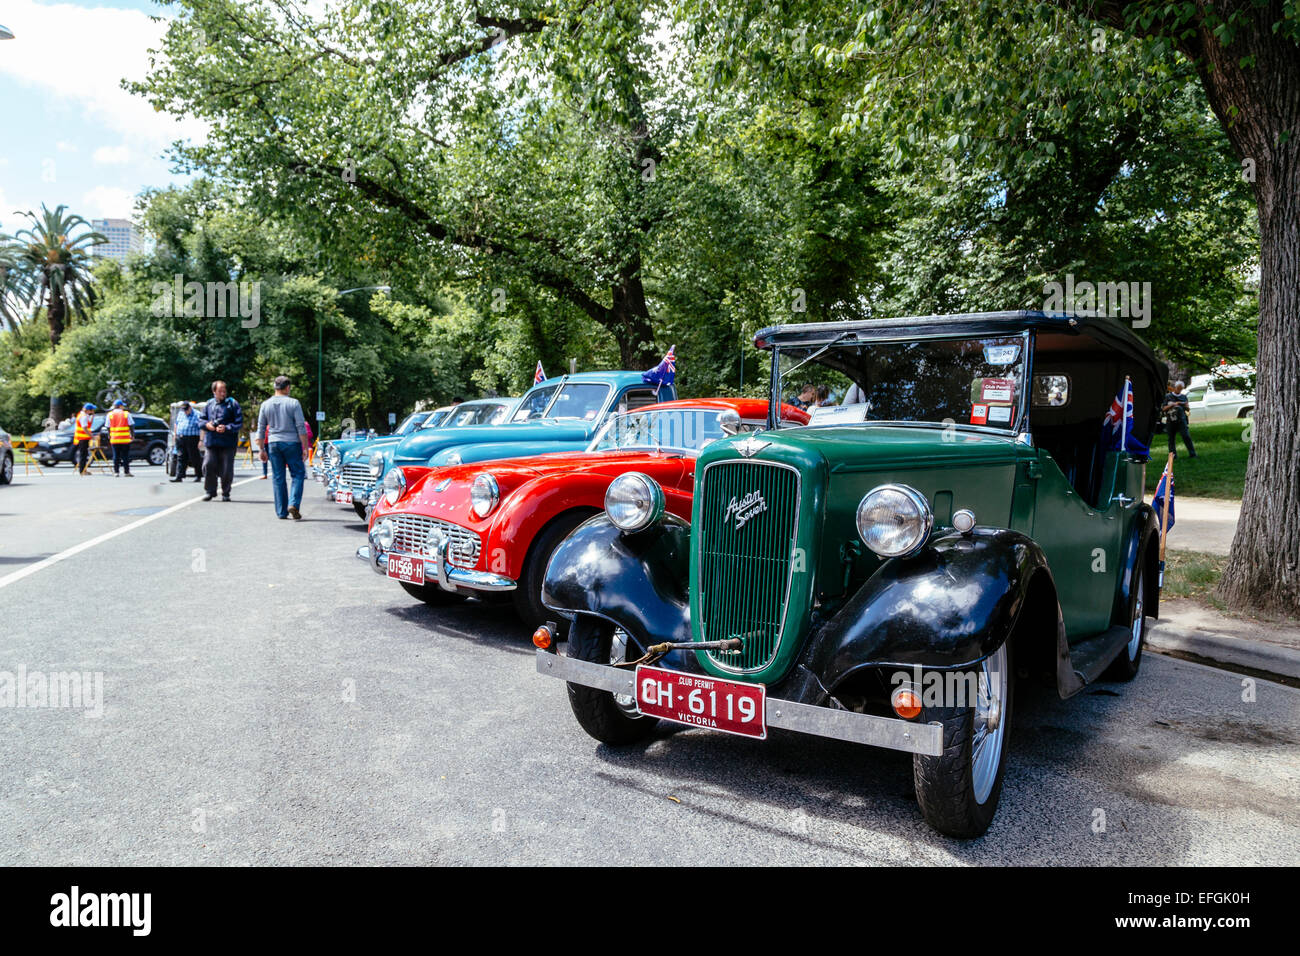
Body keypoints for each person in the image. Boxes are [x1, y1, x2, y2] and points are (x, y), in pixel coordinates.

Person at [257, 374, 311, 520]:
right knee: (298, 474)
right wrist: (305, 448)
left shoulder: (265, 404)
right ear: (287, 388)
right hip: (292, 443)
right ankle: (293, 503)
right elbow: (301, 427)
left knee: (278, 477)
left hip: (273, 443)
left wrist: (261, 449)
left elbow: (261, 429)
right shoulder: (294, 403)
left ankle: (281, 511)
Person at [199, 380, 243, 501]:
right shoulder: (209, 404)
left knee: (226, 468)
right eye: (220, 391)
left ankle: (225, 492)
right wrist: (207, 425)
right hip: (211, 442)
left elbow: (238, 423)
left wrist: (227, 428)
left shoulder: (233, 404)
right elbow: (201, 421)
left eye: (224, 391)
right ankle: (210, 491)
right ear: (214, 392)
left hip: (228, 443)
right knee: (208, 464)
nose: (223, 393)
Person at [1163, 380, 1197, 459]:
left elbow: (1188, 409)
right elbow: (1164, 408)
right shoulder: (1168, 397)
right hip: (1171, 421)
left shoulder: (1183, 397)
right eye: (1178, 388)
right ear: (1175, 387)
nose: (1179, 390)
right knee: (1171, 439)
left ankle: (1192, 454)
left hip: (1182, 420)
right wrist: (1173, 405)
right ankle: (1173, 456)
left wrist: (1185, 406)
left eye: (1181, 389)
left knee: (1186, 436)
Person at [171, 401, 203, 483]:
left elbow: (202, 428)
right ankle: (179, 476)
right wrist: (175, 435)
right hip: (181, 437)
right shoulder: (181, 413)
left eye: (186, 410)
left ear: (190, 408)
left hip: (192, 438)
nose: (185, 411)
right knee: (180, 457)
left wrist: (201, 440)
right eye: (183, 410)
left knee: (194, 457)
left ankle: (198, 475)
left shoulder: (197, 414)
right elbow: (176, 424)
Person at [105, 400, 134, 477]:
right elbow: (131, 425)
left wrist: (109, 435)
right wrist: (133, 435)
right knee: (125, 456)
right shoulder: (126, 414)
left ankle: (116, 472)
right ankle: (126, 472)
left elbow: (107, 426)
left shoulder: (110, 415)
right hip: (125, 439)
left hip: (114, 439)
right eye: (122, 405)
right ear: (120, 406)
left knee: (116, 456)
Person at [73, 403, 96, 475]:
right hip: (83, 438)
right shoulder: (83, 417)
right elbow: (85, 428)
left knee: (84, 454)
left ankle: (83, 470)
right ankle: (82, 471)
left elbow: (89, 424)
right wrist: (92, 436)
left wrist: (92, 416)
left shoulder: (83, 415)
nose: (93, 411)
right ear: (88, 410)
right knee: (83, 455)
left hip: (82, 438)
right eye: (92, 410)